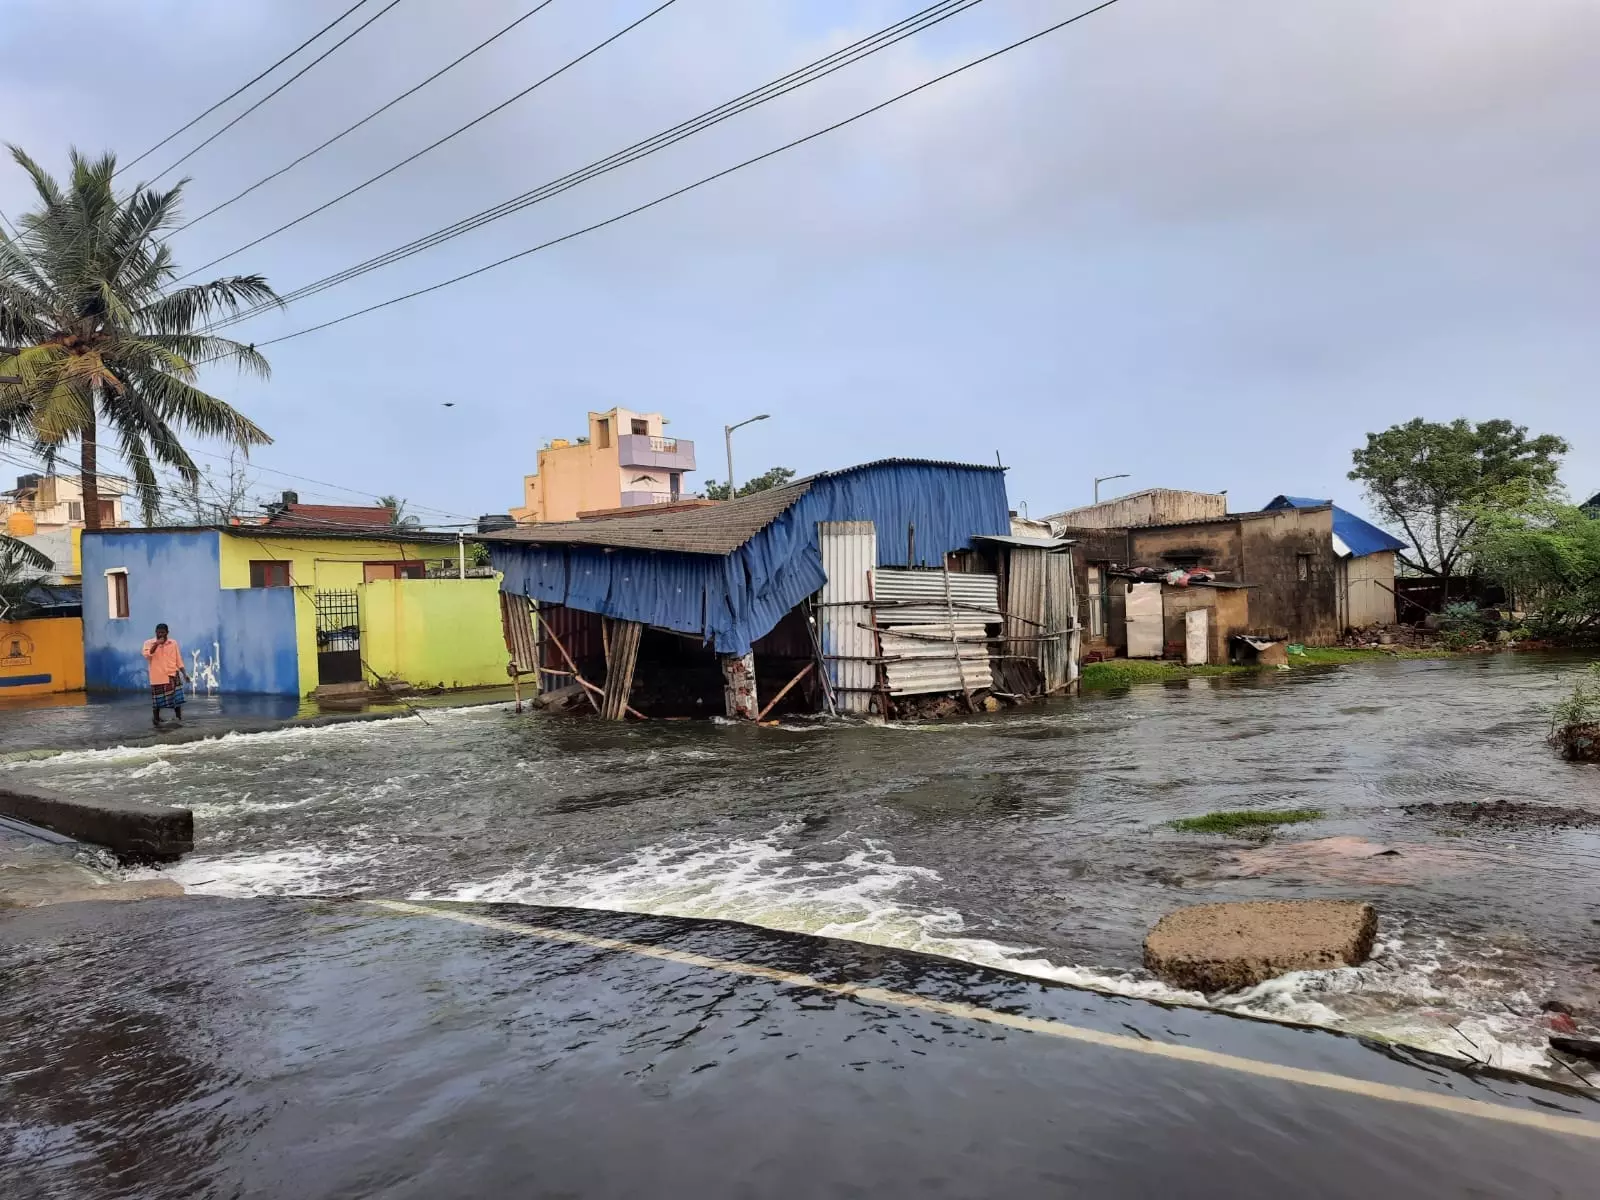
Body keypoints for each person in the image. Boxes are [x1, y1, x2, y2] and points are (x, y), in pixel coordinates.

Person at [143, 623, 188, 727]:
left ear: (167, 633)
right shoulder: (148, 643)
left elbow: (178, 659)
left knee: (176, 699)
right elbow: (147, 654)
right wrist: (157, 644)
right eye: (158, 632)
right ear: (155, 632)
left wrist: (184, 674)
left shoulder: (173, 643)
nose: (160, 634)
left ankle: (178, 718)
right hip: (158, 676)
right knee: (157, 701)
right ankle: (156, 719)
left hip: (172, 674)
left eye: (162, 632)